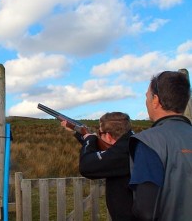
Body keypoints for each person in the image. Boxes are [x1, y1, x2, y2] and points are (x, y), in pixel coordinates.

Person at [129, 71, 192, 221]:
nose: (146, 101)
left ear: (155, 100)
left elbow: (145, 210)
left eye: (147, 96)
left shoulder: (149, 141)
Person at [61, 112, 136, 221]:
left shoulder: (122, 153)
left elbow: (86, 166)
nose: (98, 135)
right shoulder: (130, 143)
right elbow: (101, 152)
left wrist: (89, 139)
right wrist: (79, 133)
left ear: (109, 136)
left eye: (99, 133)